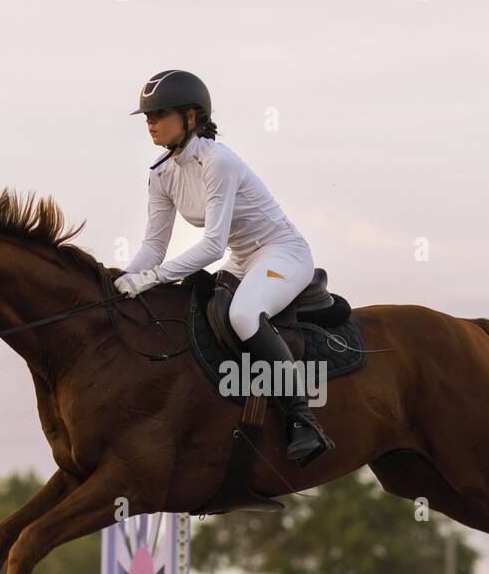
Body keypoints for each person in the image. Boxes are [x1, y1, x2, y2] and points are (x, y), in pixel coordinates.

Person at [114, 70, 334, 466]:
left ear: (192, 118)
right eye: (147, 114)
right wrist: (123, 280)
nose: (150, 121)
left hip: (282, 251)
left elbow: (211, 246)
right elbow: (154, 246)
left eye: (160, 113)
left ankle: (302, 420)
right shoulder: (160, 173)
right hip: (243, 258)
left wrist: (152, 278)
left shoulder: (218, 162)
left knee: (244, 314)